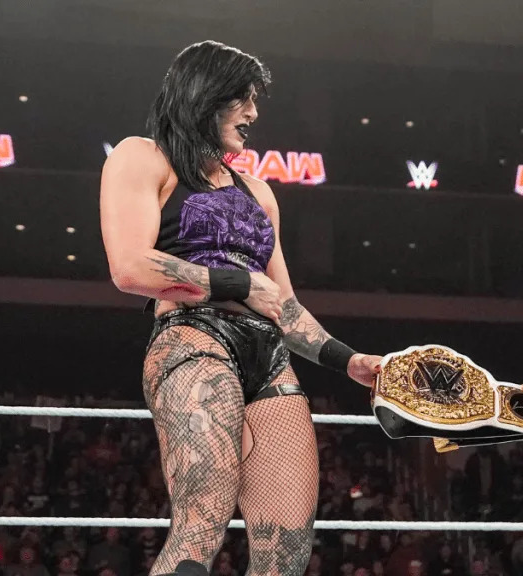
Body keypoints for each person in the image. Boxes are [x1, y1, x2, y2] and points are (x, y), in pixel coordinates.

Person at [100, 40, 382, 576]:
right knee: (200, 528)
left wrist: (349, 361)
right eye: (243, 98)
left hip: (269, 358)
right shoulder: (144, 156)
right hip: (192, 339)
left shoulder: (258, 192)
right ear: (205, 94)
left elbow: (283, 303)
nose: (253, 113)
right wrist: (237, 283)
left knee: (287, 552)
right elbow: (130, 267)